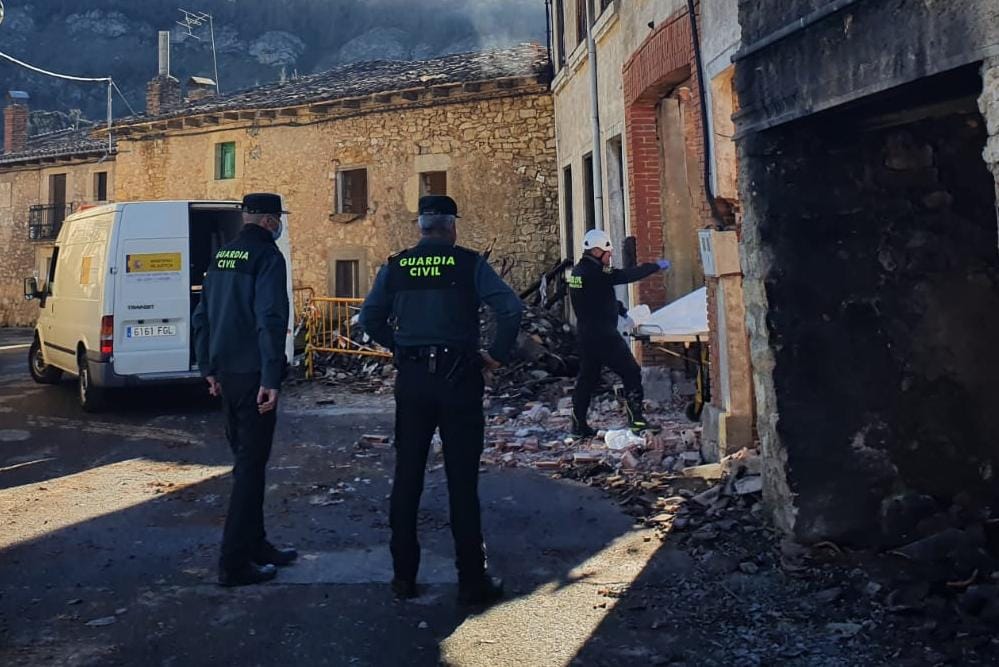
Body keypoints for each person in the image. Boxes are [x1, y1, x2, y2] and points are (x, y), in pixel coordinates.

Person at [359, 195, 523, 606]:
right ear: (451, 227)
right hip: (459, 379)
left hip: (413, 381)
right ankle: (471, 579)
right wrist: (496, 354)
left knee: (408, 475)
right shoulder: (468, 263)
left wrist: (400, 348)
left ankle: (403, 576)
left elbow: (369, 318)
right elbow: (510, 308)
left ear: (420, 227)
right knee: (461, 481)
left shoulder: (397, 265)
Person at [193, 193, 297, 587]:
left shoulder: (222, 257)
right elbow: (269, 319)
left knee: (246, 462)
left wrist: (208, 367)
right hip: (254, 375)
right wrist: (272, 378)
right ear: (270, 221)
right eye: (278, 220)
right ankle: (233, 564)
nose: (278, 226)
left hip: (227, 375)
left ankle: (257, 545)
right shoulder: (267, 257)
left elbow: (202, 315)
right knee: (250, 470)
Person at [569, 228, 671, 438]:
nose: (610, 257)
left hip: (585, 335)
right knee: (631, 372)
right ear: (597, 251)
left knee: (587, 379)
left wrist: (619, 308)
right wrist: (654, 267)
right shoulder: (597, 272)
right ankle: (638, 422)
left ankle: (578, 426)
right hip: (604, 336)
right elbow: (625, 275)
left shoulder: (578, 273)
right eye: (608, 253)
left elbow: (595, 298)